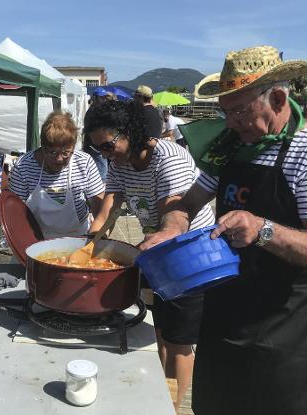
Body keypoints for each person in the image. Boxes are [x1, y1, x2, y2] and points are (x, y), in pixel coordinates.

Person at [165, 46, 307, 414]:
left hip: (284, 322)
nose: (232, 123)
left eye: (240, 111)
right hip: (227, 308)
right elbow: (186, 202)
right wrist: (171, 226)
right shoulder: (231, 146)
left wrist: (262, 228)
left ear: (279, 97)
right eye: (226, 112)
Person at [85, 100, 215, 412]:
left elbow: (170, 219)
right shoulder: (119, 162)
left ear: (130, 132)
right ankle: (160, 392)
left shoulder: (168, 159)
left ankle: (171, 406)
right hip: (157, 254)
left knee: (179, 341)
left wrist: (134, 255)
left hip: (190, 255)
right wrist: (93, 238)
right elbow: (111, 202)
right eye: (96, 149)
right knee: (158, 330)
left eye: (107, 145)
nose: (103, 155)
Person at [9, 111, 105, 239]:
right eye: (52, 152)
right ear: (43, 147)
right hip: (36, 237)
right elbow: (15, 210)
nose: (59, 158)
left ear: (73, 147)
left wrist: (97, 236)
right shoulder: (23, 166)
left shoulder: (84, 162)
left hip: (77, 236)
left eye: (66, 153)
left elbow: (99, 205)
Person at [83, 87, 115, 181]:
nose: (104, 99)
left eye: (105, 97)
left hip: (96, 146)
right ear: (95, 98)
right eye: (102, 98)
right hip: (95, 147)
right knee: (102, 173)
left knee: (98, 171)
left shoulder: (95, 110)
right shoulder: (94, 112)